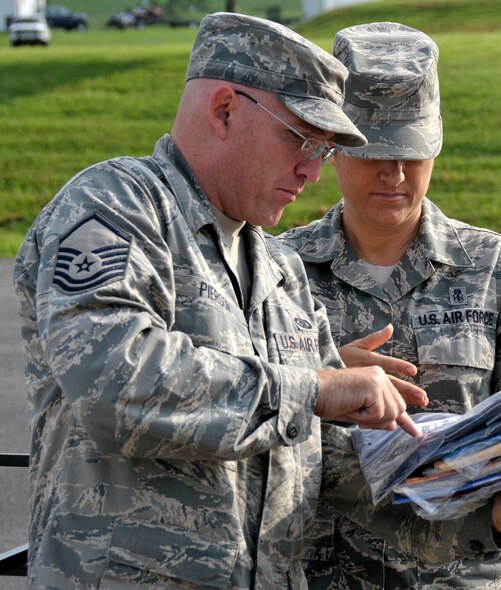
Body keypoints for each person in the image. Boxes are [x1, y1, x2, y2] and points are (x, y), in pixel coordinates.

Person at [13, 13, 423, 590]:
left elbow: (322, 453)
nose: (311, 170)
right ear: (225, 109)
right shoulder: (115, 209)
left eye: (325, 151)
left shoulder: (281, 269)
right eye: (302, 138)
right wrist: (311, 388)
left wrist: (483, 471)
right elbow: (111, 380)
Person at [278, 22, 501, 589]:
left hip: (464, 573)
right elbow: (242, 416)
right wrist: (318, 379)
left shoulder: (489, 265)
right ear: (335, 144)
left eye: (412, 153)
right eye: (375, 152)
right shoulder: (279, 268)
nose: (395, 174)